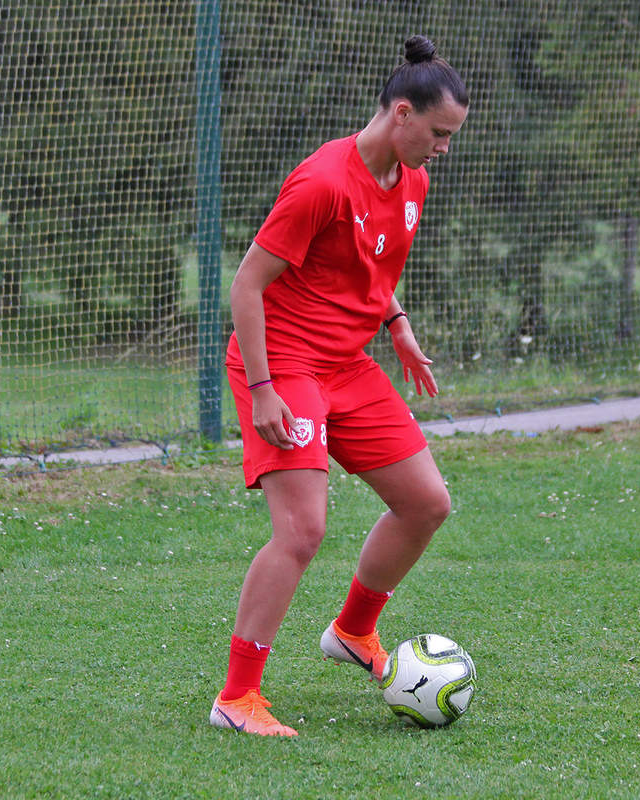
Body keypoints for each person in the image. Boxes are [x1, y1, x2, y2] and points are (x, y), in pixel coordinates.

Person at [209, 35, 469, 737]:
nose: (444, 149)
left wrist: (399, 323)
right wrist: (264, 388)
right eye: (439, 134)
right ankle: (237, 699)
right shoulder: (322, 181)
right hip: (284, 363)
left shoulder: (410, 178)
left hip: (347, 365)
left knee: (425, 503)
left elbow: (368, 266)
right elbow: (247, 285)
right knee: (302, 531)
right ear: (402, 114)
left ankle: (354, 632)